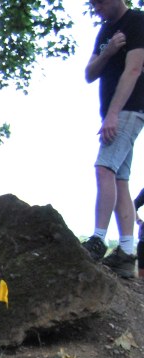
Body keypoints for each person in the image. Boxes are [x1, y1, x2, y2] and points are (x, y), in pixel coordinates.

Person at [81, 0, 144, 279]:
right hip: (116, 112)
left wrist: (114, 114)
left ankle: (98, 239)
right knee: (119, 179)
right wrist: (107, 53)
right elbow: (89, 74)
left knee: (103, 168)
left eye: (98, 2)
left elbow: (134, 70)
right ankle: (127, 253)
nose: (96, 8)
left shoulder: (137, 22)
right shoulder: (106, 31)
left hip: (128, 109)